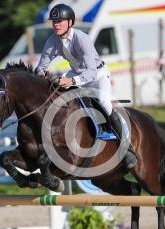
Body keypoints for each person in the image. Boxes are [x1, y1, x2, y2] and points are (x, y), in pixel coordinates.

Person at [35, 4, 137, 169]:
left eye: (59, 21)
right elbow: (41, 66)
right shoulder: (52, 40)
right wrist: (43, 74)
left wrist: (71, 82)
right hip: (75, 73)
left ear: (70, 22)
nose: (55, 24)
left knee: (104, 104)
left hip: (97, 75)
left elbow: (90, 73)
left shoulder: (82, 39)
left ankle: (127, 149)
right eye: (54, 21)